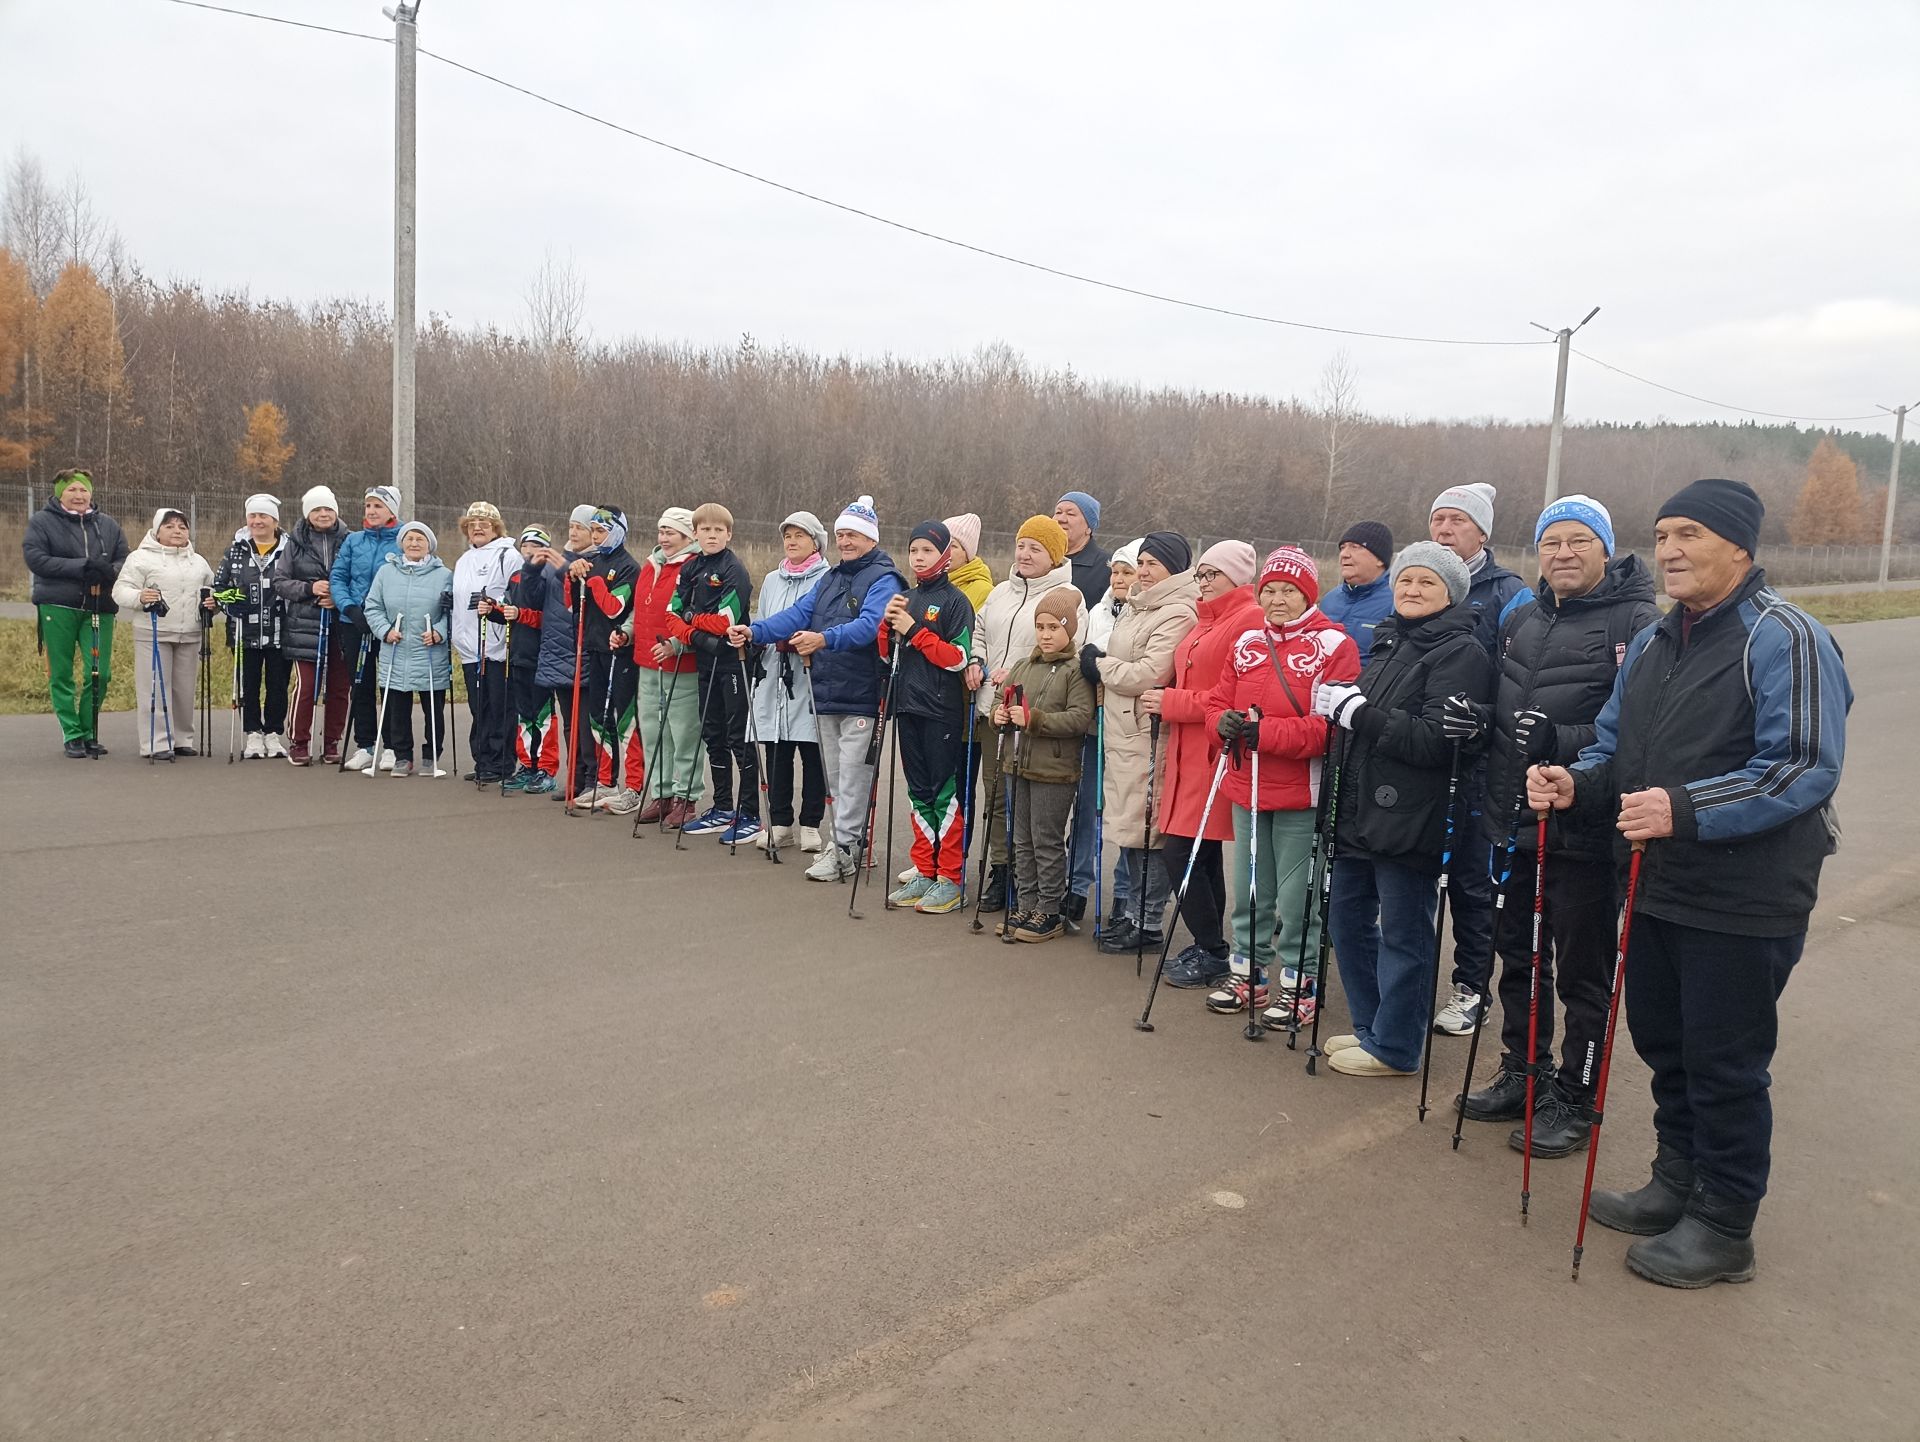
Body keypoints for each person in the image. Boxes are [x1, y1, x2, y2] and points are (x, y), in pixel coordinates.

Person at [1529, 478, 1850, 1288]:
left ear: (1740, 547)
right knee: (1666, 1044)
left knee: (1726, 1060)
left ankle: (1725, 1221)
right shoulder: (1653, 641)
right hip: (1657, 881)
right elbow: (1613, 748)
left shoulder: (1787, 636)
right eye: (1664, 533)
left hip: (1747, 895)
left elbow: (1803, 765)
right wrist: (1578, 783)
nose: (1669, 549)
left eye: (1692, 535)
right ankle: (1677, 1181)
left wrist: (1683, 808)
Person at [1457, 496, 1660, 1157]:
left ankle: (1576, 1094)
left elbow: (1638, 732)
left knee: (1580, 972)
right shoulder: (1526, 616)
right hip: (1518, 819)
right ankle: (1524, 1070)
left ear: (1606, 549)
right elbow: (1509, 715)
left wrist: (1562, 739)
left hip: (1589, 827)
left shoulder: (1636, 620)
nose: (1563, 554)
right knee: (1519, 956)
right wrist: (1474, 726)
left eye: (1578, 542)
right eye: (1551, 543)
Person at [1312, 541, 1495, 1077]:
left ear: (1450, 593)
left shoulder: (1461, 652)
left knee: (1405, 933)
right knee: (1346, 918)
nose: (1412, 590)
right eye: (1407, 580)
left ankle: (1396, 1046)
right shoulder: (1393, 640)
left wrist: (1359, 713)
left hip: (1411, 815)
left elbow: (1438, 741)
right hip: (1360, 810)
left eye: (1426, 583)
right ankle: (1373, 1028)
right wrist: (1343, 706)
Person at [1205, 547, 1360, 1025]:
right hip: (1246, 784)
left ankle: (1301, 981)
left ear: (1307, 594)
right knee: (1251, 888)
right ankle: (1249, 973)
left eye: (1288, 591)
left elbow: (1331, 727)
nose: (1276, 599)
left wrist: (1266, 733)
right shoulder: (1248, 640)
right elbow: (1216, 701)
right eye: (1269, 590)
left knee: (1297, 900)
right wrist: (1224, 723)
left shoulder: (1335, 645)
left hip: (1300, 790)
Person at [733, 496, 904, 879]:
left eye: (854, 535)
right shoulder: (832, 577)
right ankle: (846, 844)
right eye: (841, 534)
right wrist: (756, 630)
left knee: (853, 776)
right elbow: (799, 614)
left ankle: (846, 848)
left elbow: (869, 626)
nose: (845, 541)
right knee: (837, 778)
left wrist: (822, 640)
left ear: (871, 538)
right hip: (826, 690)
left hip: (862, 693)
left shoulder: (884, 578)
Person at [1426, 483, 1527, 1038]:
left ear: (1482, 533)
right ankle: (1414, 975)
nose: (1444, 529)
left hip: (1480, 760)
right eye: (1438, 519)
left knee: (1471, 879)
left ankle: (1471, 987)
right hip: (1424, 755)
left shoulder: (1509, 592)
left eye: (1457, 521)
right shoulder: (1418, 581)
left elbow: (1521, 674)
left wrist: (1489, 721)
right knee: (1418, 872)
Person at [1081, 533, 1196, 956]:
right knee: (1131, 829)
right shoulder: (1137, 606)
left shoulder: (1178, 612)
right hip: (1122, 733)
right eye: (1140, 563)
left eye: (1152, 564)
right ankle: (1128, 915)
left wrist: (1098, 664)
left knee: (1150, 831)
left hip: (1147, 733)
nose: (1142, 572)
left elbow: (1150, 672)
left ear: (1175, 568)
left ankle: (1147, 922)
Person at [965, 514, 1087, 911]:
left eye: (1035, 548)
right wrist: (978, 659)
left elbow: (1070, 648)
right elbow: (981, 629)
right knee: (996, 797)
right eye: (1021, 545)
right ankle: (1002, 872)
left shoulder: (1068, 595)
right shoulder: (1001, 590)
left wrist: (1017, 668)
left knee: (1033, 811)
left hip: (1037, 717)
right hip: (994, 709)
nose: (1024, 553)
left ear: (1053, 554)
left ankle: (1031, 882)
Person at [1156, 541, 1261, 989]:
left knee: (1181, 850)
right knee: (1203, 852)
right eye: (1200, 574)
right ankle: (1211, 944)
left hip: (1213, 750)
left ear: (1238, 578)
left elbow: (1239, 699)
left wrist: (1171, 702)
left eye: (1213, 574)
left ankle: (1212, 948)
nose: (1204, 583)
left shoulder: (1249, 619)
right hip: (1185, 750)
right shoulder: (1205, 618)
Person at [992, 587, 1097, 942]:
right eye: (1040, 626)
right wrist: (1000, 713)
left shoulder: (1075, 670)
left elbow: (1081, 718)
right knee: (1020, 840)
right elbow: (1000, 697)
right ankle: (1026, 904)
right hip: (1017, 763)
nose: (1046, 634)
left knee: (1046, 840)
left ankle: (1049, 911)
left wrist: (1034, 719)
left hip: (1054, 770)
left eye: (1054, 627)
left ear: (1070, 630)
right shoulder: (1024, 664)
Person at [882, 520, 977, 914]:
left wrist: (914, 630)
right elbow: (888, 654)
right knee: (918, 792)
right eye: (914, 550)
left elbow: (957, 658)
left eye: (928, 550)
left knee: (944, 794)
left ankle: (950, 878)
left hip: (941, 711)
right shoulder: (904, 597)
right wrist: (886, 628)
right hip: (908, 706)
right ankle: (924, 869)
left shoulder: (956, 602)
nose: (919, 557)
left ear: (945, 555)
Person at [23, 469, 129, 757]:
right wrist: (80, 567)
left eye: (83, 490)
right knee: (61, 673)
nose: (79, 496)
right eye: (72, 490)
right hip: (58, 605)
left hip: (99, 605)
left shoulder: (107, 524)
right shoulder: (42, 522)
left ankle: (89, 730)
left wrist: (109, 572)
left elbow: (124, 558)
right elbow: (36, 558)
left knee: (100, 674)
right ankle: (72, 733)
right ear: (60, 494)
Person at [670, 503, 759, 840]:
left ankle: (748, 812)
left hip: (733, 663)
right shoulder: (691, 567)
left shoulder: (733, 568)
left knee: (739, 738)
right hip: (705, 662)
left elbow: (726, 620)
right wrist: (693, 632)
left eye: (718, 530)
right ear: (695, 533)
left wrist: (691, 621)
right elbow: (671, 614)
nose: (711, 535)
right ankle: (722, 807)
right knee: (713, 735)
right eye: (705, 530)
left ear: (729, 534)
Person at [742, 512, 830, 849]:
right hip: (773, 674)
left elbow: (822, 624)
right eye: (787, 536)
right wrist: (760, 640)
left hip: (807, 674)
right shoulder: (772, 579)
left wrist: (798, 639)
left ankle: (810, 823)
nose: (791, 541)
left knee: (811, 750)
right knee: (777, 750)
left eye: (799, 536)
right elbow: (763, 619)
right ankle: (780, 823)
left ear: (815, 542)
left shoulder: (826, 578)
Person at [615, 508, 703, 823]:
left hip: (683, 665)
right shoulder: (651, 566)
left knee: (684, 734)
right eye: (661, 531)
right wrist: (626, 634)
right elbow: (638, 611)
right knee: (653, 733)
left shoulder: (695, 567)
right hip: (648, 663)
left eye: (671, 533)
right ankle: (662, 795)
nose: (664, 538)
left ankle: (687, 798)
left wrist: (677, 645)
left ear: (688, 536)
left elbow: (697, 616)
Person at [112, 507, 214, 759]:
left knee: (184, 689)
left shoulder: (198, 561)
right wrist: (140, 596)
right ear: (157, 532)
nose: (177, 531)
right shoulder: (140, 558)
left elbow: (211, 590)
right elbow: (120, 590)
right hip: (153, 632)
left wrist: (214, 603)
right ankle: (156, 743)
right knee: (155, 688)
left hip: (190, 633)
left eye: (182, 526)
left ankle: (181, 739)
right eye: (169, 526)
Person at [557, 506, 641, 811]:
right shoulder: (591, 561)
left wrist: (591, 580)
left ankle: (634, 786)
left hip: (620, 651)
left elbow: (614, 608)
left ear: (618, 530)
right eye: (593, 530)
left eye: (601, 530)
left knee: (626, 720)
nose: (595, 536)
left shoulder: (628, 566)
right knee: (598, 718)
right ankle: (605, 781)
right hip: (592, 648)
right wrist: (571, 577)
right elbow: (570, 605)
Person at [1054, 491, 1112, 925]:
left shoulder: (1105, 569)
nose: (1061, 518)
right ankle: (1045, 880)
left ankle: (1078, 885)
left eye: (1070, 514)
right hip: (1049, 696)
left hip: (1087, 695)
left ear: (1088, 524)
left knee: (1088, 803)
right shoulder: (1043, 563)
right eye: (1057, 512)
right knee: (1048, 796)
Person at [361, 520, 453, 777]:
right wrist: (384, 630)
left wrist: (439, 633)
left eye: (420, 539)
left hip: (429, 651)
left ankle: (431, 756)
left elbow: (451, 613)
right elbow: (372, 606)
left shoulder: (444, 575)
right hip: (396, 648)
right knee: (397, 705)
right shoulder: (386, 572)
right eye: (409, 538)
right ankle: (402, 756)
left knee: (433, 707)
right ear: (402, 543)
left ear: (429, 545)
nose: (414, 543)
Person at [272, 486, 351, 765]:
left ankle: (332, 742)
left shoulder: (351, 540)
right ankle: (299, 741)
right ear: (308, 515)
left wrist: (338, 598)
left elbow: (359, 579)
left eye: (328, 509)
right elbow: (280, 581)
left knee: (340, 687)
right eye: (317, 509)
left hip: (341, 624)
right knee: (307, 686)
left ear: (336, 512)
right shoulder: (294, 543)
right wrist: (310, 588)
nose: (323, 514)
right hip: (305, 626)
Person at [211, 495, 291, 760]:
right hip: (244, 632)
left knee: (277, 685)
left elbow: (297, 582)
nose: (257, 521)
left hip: (280, 629)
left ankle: (273, 733)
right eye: (253, 516)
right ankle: (253, 733)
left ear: (275, 521)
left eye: (263, 517)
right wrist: (234, 602)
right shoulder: (236, 549)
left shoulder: (289, 549)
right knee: (248, 684)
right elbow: (220, 587)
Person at [330, 486, 402, 770]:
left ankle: (394, 746)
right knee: (360, 685)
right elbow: (338, 577)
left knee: (390, 686)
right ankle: (366, 745)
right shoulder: (353, 540)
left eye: (378, 506)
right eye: (368, 506)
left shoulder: (404, 538)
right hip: (355, 621)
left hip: (388, 624)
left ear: (391, 511)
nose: (371, 512)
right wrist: (349, 607)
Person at [526, 507, 595, 800]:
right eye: (571, 526)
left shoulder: (594, 561)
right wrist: (531, 568)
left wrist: (567, 569)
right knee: (570, 721)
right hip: (557, 652)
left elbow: (589, 598)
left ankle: (594, 779)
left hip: (583, 650)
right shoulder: (554, 560)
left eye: (580, 527)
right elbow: (531, 597)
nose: (573, 532)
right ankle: (575, 778)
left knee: (588, 722)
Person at [449, 501, 517, 785]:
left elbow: (516, 593)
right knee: (479, 706)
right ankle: (482, 759)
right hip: (469, 646)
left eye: (484, 524)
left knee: (498, 705)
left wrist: (496, 604)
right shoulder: (464, 559)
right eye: (472, 525)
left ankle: (502, 762)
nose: (477, 529)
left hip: (496, 644)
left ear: (495, 528)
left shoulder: (508, 555)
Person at [491, 526, 560, 794]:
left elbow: (549, 619)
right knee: (524, 715)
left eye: (535, 546)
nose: (529, 551)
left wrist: (520, 614)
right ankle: (528, 765)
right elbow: (508, 608)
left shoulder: (549, 576)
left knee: (542, 716)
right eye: (525, 546)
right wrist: (492, 610)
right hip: (518, 653)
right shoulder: (517, 576)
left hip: (541, 656)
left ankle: (546, 768)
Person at [1319, 521, 1394, 665]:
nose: (1344, 554)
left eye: (1355, 547)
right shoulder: (1329, 599)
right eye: (1342, 547)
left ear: (1379, 559)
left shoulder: (1397, 602)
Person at [1084, 539, 1139, 652]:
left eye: (1127, 573)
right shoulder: (1098, 611)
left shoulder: (1145, 614)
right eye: (1115, 572)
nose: (1118, 580)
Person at [944, 513, 994, 613]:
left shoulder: (984, 591)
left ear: (967, 554)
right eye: (942, 544)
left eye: (953, 546)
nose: (945, 551)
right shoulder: (927, 583)